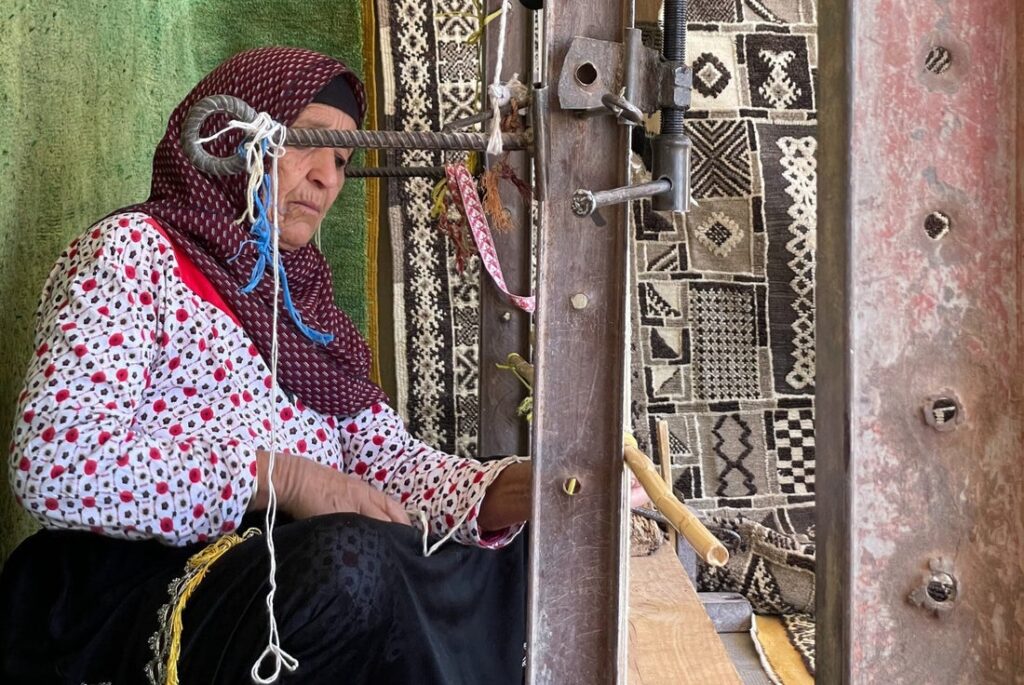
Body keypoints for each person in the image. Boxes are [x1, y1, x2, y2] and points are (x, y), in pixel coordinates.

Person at [0, 46, 533, 685]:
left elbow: (385, 466)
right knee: (351, 565)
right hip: (137, 595)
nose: (328, 178)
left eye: (341, 161)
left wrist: (513, 492)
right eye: (306, 143)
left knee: (526, 560)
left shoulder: (308, 308)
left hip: (292, 574)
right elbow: (54, 464)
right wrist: (284, 481)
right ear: (230, 135)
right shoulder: (135, 253)